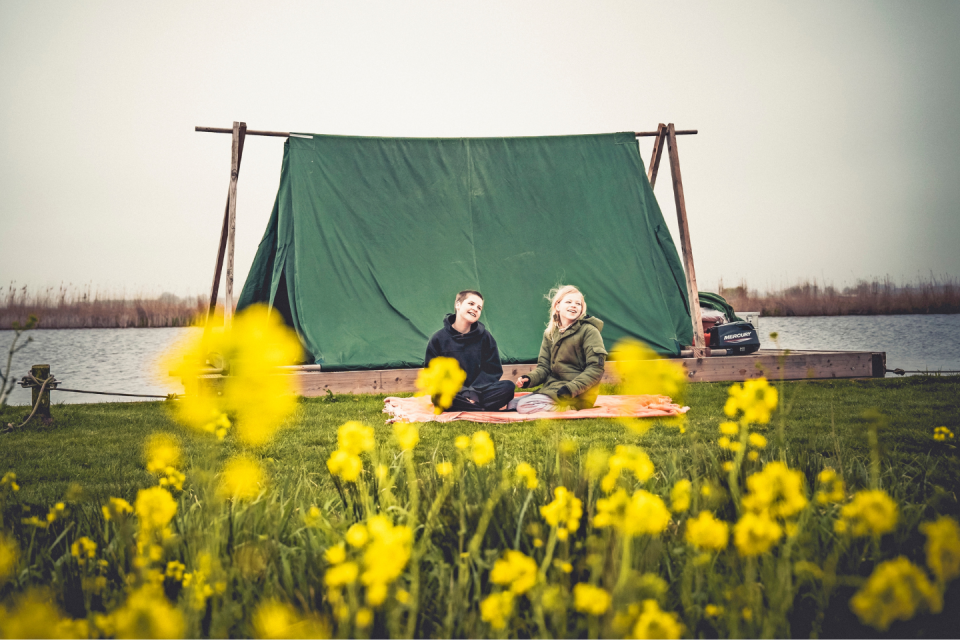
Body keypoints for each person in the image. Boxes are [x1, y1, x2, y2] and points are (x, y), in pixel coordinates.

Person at [509, 285, 607, 414]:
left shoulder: (589, 331)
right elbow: (544, 367)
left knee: (524, 406)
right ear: (557, 306)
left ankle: (568, 408)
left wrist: (571, 389)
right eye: (569, 302)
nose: (574, 305)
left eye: (578, 304)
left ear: (582, 309)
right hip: (554, 388)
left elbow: (596, 368)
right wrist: (529, 378)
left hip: (576, 394)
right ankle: (549, 403)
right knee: (512, 404)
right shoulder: (550, 333)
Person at [424, 290, 516, 412]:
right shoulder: (438, 339)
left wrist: (473, 392)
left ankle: (469, 406)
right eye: (471, 303)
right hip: (453, 392)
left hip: (480, 392)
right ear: (458, 305)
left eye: (479, 307)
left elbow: (493, 370)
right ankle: (480, 408)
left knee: (508, 387)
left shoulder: (485, 337)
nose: (476, 309)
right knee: (439, 394)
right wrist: (462, 392)